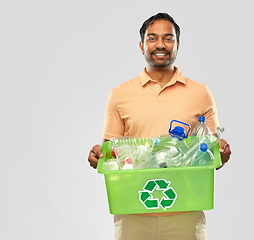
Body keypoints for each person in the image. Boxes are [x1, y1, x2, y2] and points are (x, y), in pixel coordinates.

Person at [88, 13, 231, 240]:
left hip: (186, 209)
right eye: (152, 38)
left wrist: (221, 152)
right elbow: (111, 153)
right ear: (141, 45)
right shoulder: (120, 95)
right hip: (133, 210)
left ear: (178, 44)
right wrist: (98, 154)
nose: (160, 45)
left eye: (168, 38)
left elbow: (210, 153)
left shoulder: (200, 93)